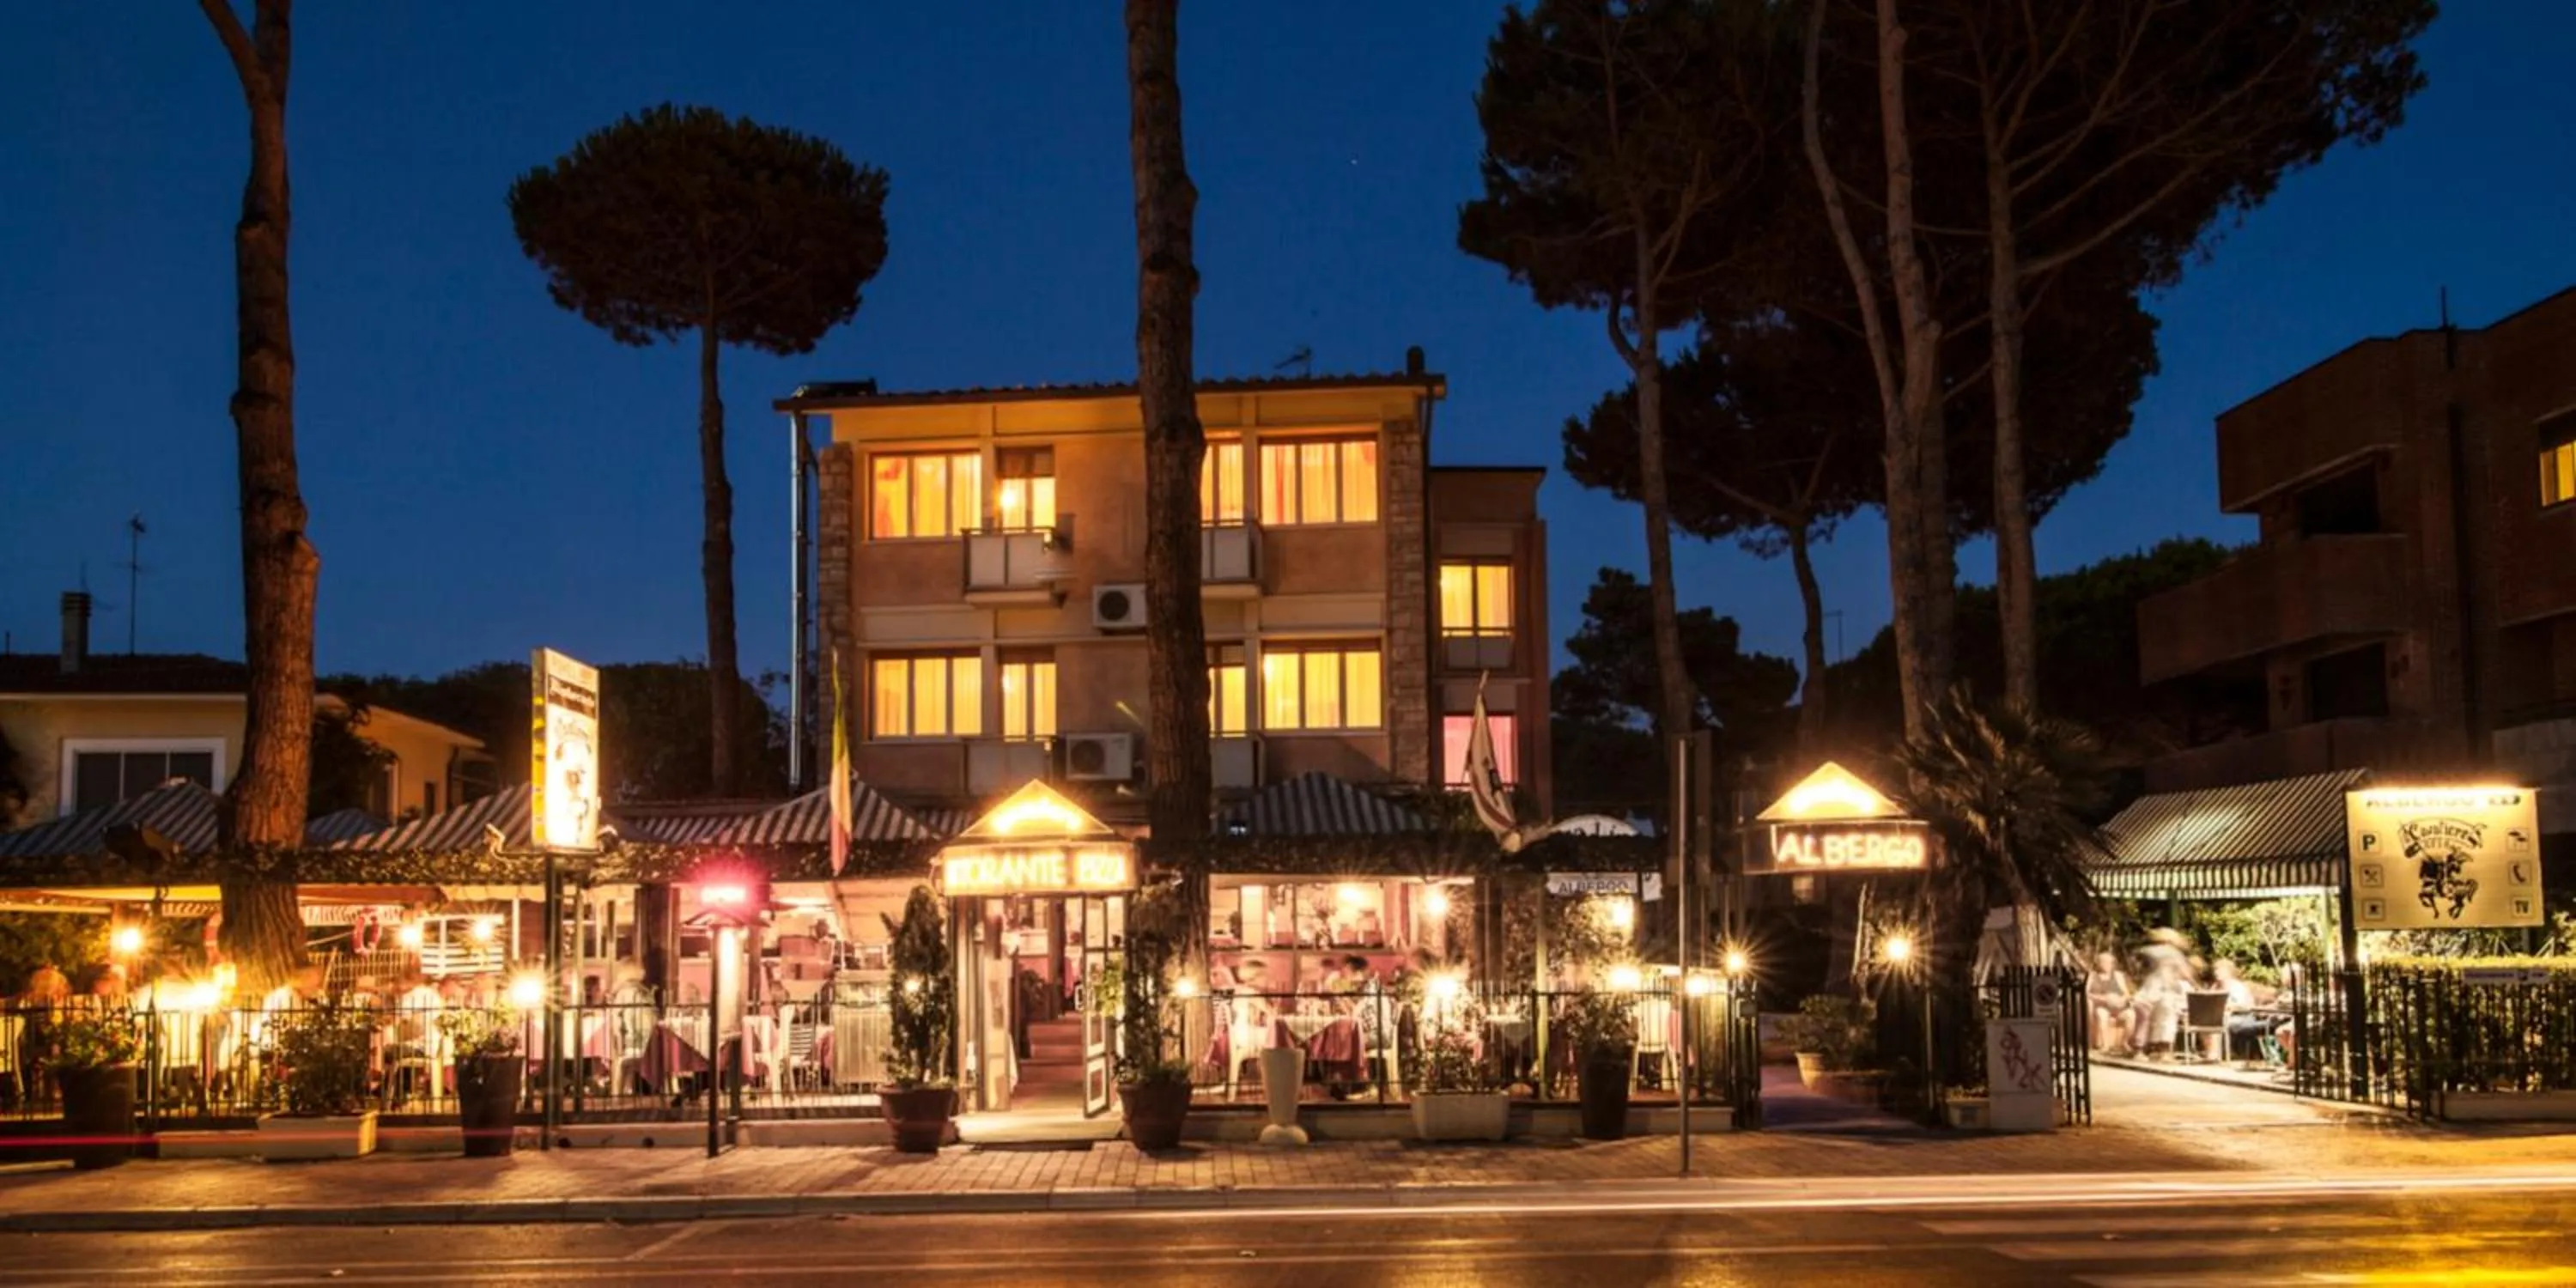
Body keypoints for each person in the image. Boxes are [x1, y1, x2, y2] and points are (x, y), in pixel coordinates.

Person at [2085, 952, 2133, 1054]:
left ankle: (2124, 1042)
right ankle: (2105, 1045)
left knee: (2131, 1015)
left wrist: (2122, 999)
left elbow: (2127, 994)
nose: (2106, 964)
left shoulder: (2118, 976)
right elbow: (2086, 993)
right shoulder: (2092, 976)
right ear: (2098, 963)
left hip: (2118, 1006)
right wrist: (2102, 998)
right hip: (2101, 1005)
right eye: (2103, 962)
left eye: (2109, 962)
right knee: (2102, 1015)